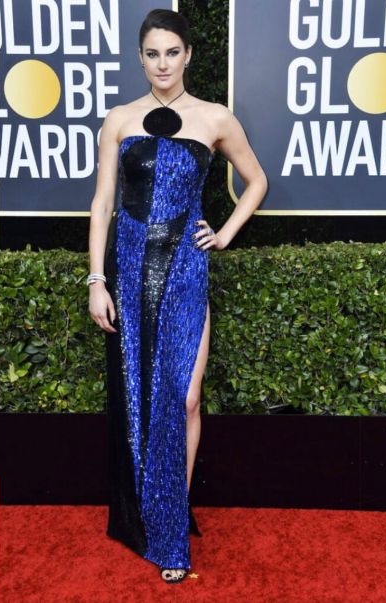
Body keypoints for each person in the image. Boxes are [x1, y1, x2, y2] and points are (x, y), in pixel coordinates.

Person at [86, 9, 267, 584]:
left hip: (187, 269)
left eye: (173, 52)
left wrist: (226, 231)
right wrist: (96, 280)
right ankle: (150, 513)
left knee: (185, 397)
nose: (163, 63)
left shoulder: (215, 118)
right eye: (152, 53)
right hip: (132, 271)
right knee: (140, 394)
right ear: (140, 58)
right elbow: (103, 204)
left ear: (188, 54)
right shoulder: (118, 119)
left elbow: (256, 180)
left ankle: (169, 512)